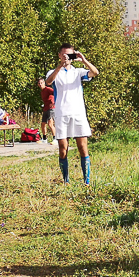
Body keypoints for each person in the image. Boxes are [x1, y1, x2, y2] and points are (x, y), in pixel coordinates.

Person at [45, 43, 98, 184]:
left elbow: (95, 72)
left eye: (69, 55)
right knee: (63, 149)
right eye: (64, 55)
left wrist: (84, 60)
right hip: (62, 114)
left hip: (78, 114)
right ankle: (66, 181)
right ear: (59, 55)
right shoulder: (53, 72)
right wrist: (60, 66)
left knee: (82, 148)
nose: (66, 57)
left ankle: (86, 181)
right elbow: (48, 82)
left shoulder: (78, 72)